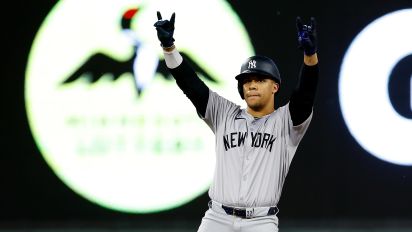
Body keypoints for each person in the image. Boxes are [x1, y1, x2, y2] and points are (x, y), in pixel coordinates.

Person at [154, 11, 319, 232]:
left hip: (261, 221)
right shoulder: (223, 113)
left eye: (260, 80)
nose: (251, 85)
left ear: (275, 87)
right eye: (247, 81)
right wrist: (169, 49)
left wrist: (310, 56)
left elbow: (305, 95)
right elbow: (190, 83)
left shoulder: (286, 122)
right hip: (217, 218)